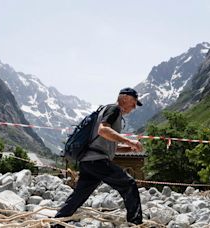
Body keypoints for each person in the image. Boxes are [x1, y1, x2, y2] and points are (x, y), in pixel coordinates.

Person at [53, 87, 144, 226]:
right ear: (124, 98)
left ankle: (56, 223)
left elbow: (106, 144)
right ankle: (136, 223)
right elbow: (103, 130)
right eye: (133, 102)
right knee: (129, 184)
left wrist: (128, 147)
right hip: (97, 161)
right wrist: (129, 141)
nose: (134, 107)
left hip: (88, 161)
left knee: (79, 195)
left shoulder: (107, 110)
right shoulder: (114, 109)